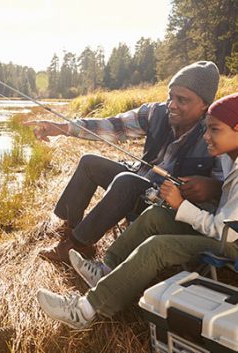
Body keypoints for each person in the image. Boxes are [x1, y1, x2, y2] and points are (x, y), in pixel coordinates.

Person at [36, 92, 238, 329]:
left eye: (214, 130)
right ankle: (106, 269)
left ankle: (84, 311)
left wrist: (182, 205)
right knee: (154, 216)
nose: (207, 135)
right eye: (170, 96)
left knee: (157, 248)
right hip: (219, 227)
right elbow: (112, 126)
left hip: (229, 242)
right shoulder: (227, 155)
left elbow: (226, 233)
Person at [25, 61, 223, 263]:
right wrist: (61, 129)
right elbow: (112, 126)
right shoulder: (156, 112)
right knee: (89, 163)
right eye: (170, 96)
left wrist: (214, 188)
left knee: (126, 181)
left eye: (182, 100)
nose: (172, 105)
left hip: (165, 205)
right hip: (138, 182)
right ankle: (71, 229)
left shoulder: (216, 132)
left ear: (204, 105)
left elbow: (229, 189)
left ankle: (78, 245)